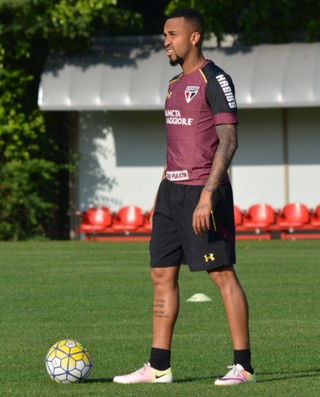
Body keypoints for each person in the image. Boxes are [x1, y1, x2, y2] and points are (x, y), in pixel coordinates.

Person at [113, 8, 256, 386]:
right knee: (161, 275)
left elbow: (229, 141)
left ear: (193, 37)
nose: (165, 42)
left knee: (221, 274)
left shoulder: (216, 79)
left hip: (203, 191)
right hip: (171, 193)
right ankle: (159, 367)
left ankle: (244, 367)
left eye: (172, 34)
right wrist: (161, 192)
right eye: (164, 34)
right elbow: (175, 143)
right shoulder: (175, 84)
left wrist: (208, 195)